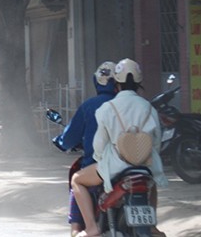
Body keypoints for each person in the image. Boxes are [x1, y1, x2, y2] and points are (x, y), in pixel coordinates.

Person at [72, 58, 168, 237]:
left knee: (77, 180)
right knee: (151, 183)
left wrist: (103, 160)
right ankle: (152, 226)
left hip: (115, 168)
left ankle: (92, 227)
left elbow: (99, 145)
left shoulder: (108, 108)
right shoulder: (149, 108)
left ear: (116, 84)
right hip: (144, 166)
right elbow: (156, 142)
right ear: (139, 83)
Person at [52, 61, 116, 237]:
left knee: (77, 180)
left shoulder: (89, 106)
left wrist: (60, 141)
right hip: (130, 166)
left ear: (96, 81)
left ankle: (86, 228)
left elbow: (69, 139)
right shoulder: (128, 104)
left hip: (98, 167)